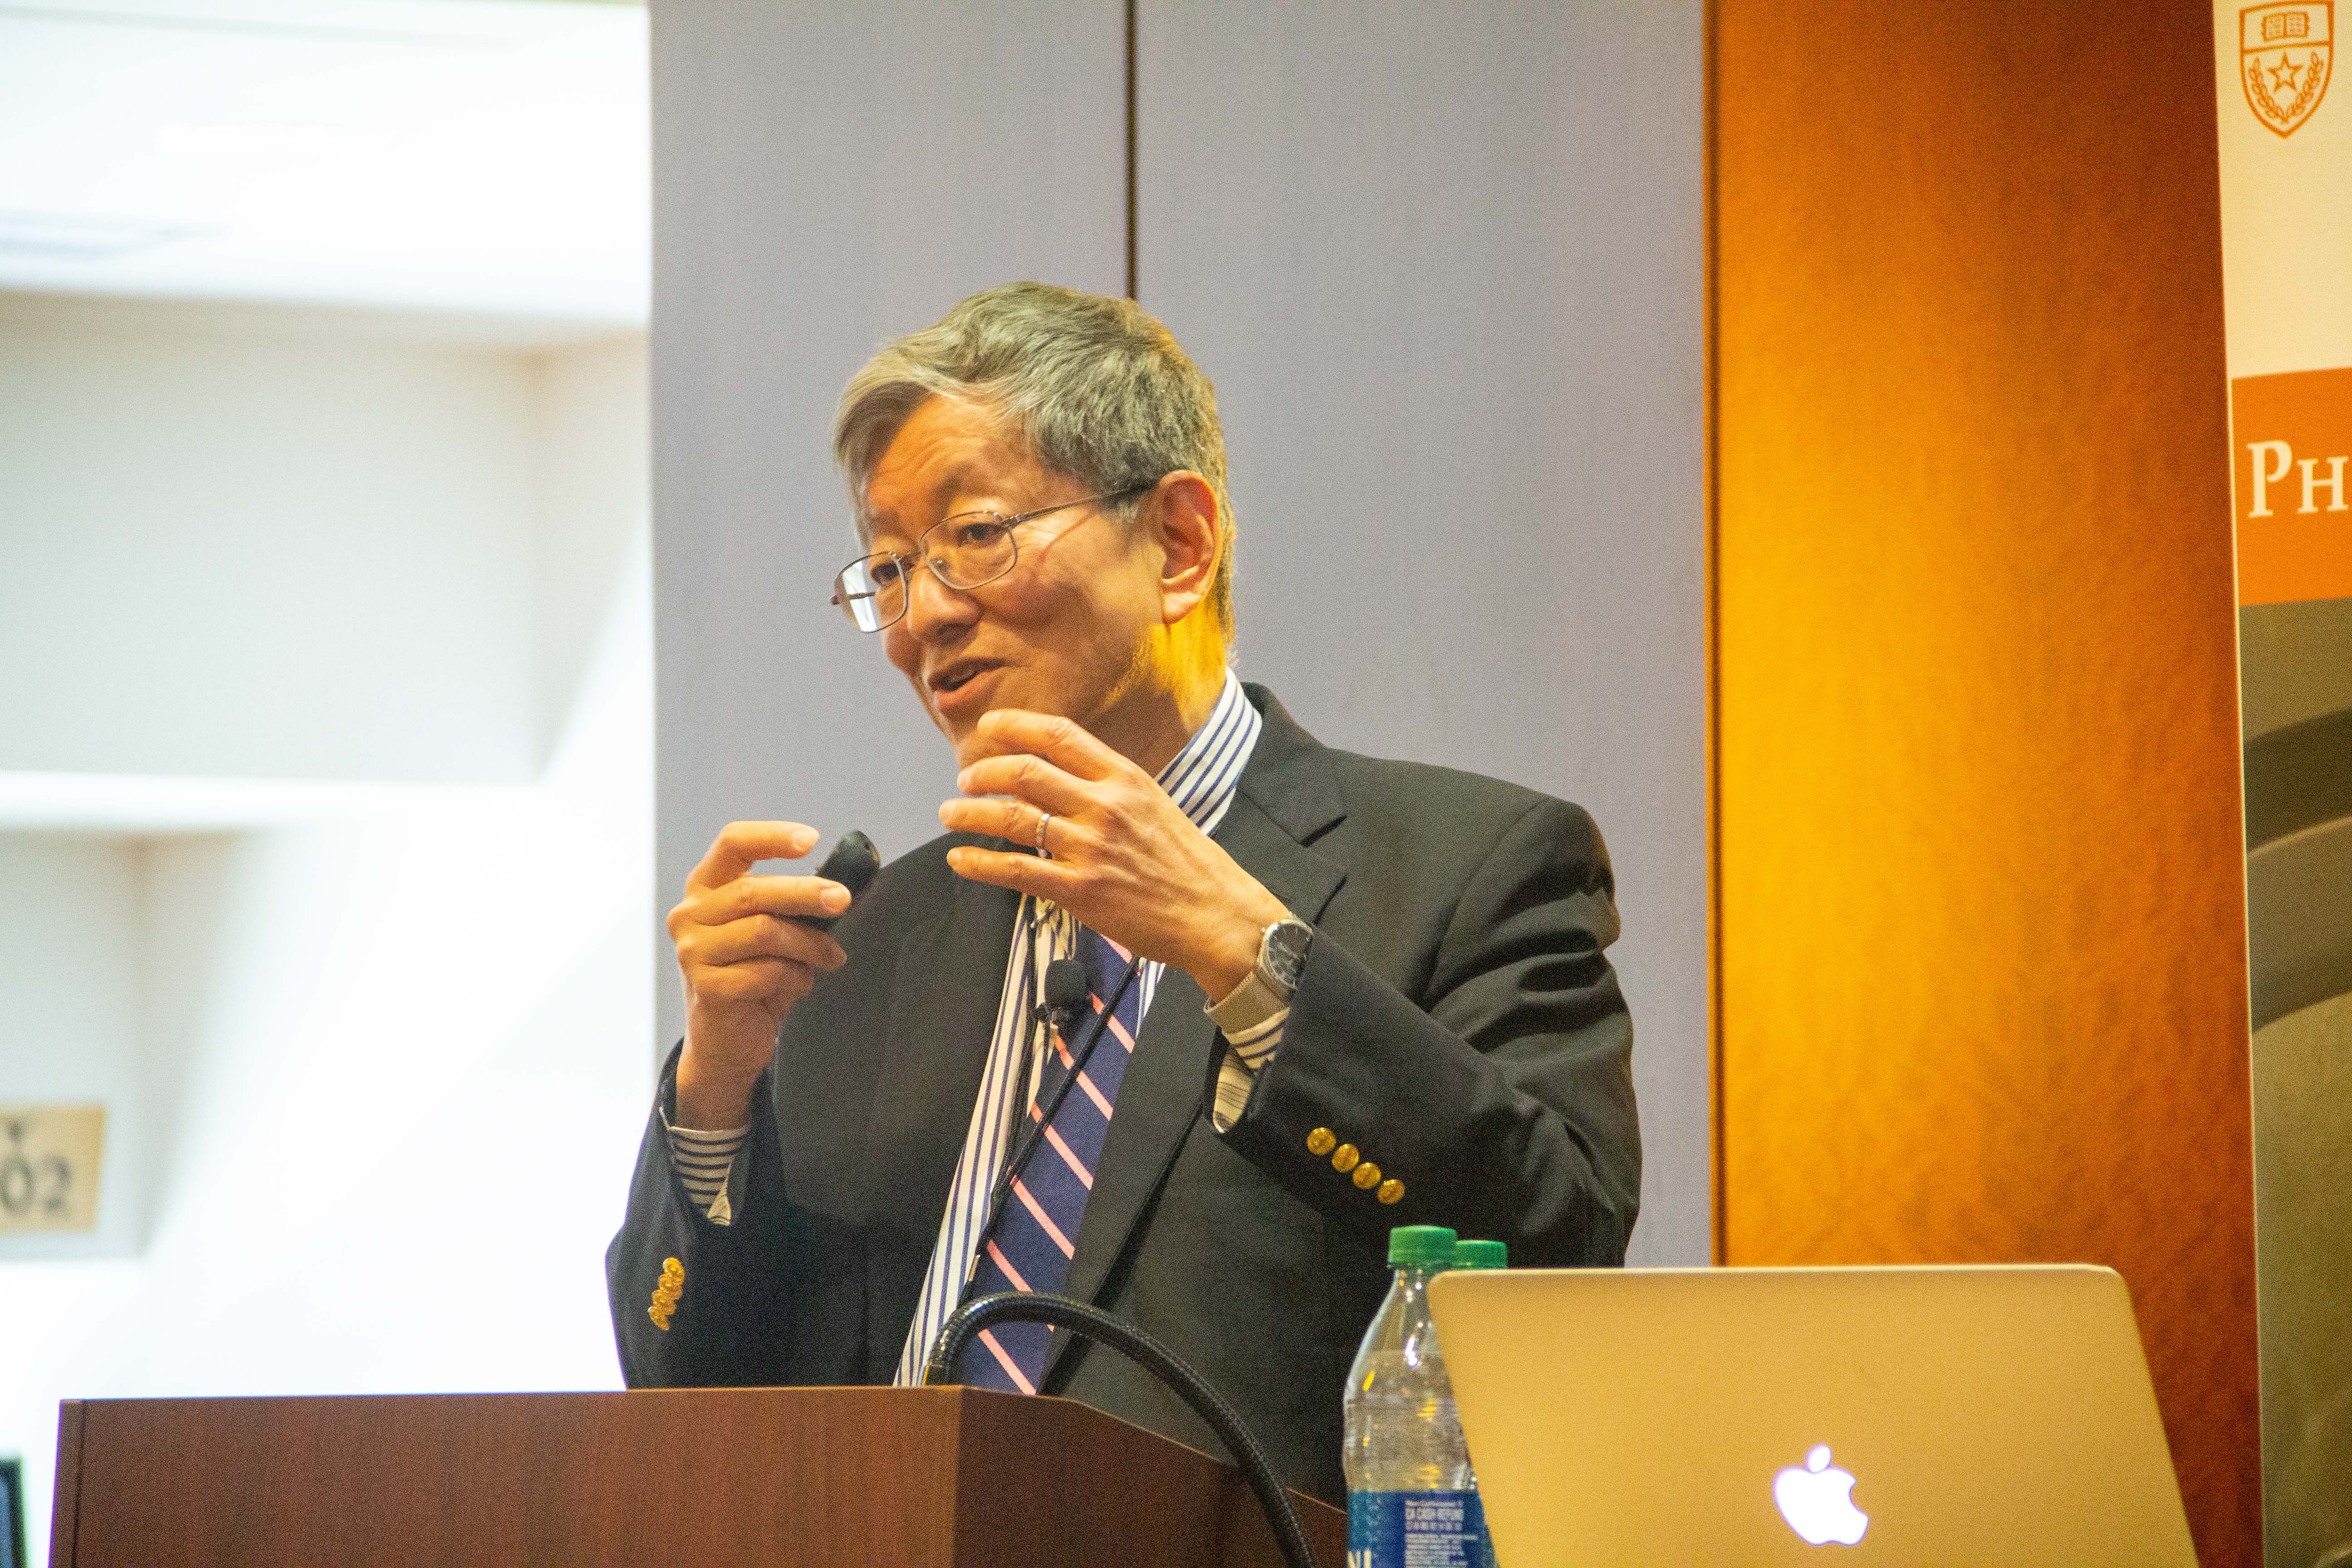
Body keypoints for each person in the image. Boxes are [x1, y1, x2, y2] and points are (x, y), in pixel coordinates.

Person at [606, 281, 1641, 1504]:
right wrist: (715, 1090)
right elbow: (688, 1392)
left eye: (976, 535)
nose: (922, 617)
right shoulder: (873, 940)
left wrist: (1250, 958)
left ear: (1180, 544)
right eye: (889, 566)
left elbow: (1558, 1258)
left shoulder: (1475, 868)